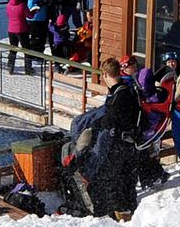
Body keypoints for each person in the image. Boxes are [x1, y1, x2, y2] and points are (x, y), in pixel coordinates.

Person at [59, 80, 147, 217]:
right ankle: (123, 210)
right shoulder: (129, 94)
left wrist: (97, 126)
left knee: (115, 181)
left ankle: (116, 212)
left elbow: (108, 123)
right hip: (127, 146)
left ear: (105, 76)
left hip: (117, 146)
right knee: (124, 180)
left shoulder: (120, 97)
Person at [3, 0, 29, 74]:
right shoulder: (22, 5)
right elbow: (29, 15)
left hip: (11, 30)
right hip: (22, 30)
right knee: (26, 49)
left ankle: (10, 67)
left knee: (13, 48)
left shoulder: (8, 5)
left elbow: (8, 15)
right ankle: (28, 69)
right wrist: (34, 10)